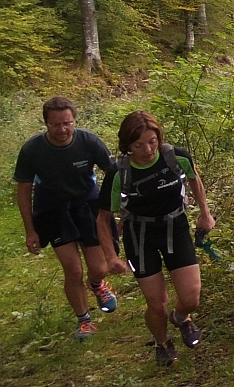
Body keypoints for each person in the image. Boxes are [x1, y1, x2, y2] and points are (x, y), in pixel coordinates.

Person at [98, 110, 214, 367]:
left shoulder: (176, 157)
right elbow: (102, 218)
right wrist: (110, 256)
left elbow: (195, 181)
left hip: (176, 227)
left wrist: (205, 214)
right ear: (127, 145)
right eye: (139, 145)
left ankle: (182, 317)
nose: (148, 150)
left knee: (191, 297)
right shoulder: (119, 172)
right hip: (139, 236)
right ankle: (162, 342)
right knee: (156, 303)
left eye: (153, 142)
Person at [14, 96, 126, 341]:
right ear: (46, 124)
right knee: (73, 270)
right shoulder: (33, 149)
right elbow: (23, 190)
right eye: (56, 125)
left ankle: (97, 285)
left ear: (75, 121)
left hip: (87, 205)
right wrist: (30, 230)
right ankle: (84, 320)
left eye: (67, 123)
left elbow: (113, 175)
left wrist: (117, 210)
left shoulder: (89, 141)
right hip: (52, 210)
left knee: (99, 267)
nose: (62, 129)